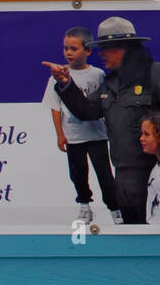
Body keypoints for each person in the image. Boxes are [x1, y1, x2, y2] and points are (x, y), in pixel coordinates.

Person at [42, 16, 160, 225]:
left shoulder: (159, 73)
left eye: (106, 47)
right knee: (132, 236)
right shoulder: (110, 83)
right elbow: (87, 111)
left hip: (157, 172)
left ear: (124, 48)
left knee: (159, 234)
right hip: (123, 174)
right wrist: (66, 83)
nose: (101, 53)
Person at [42, 26, 121, 226]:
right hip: (73, 136)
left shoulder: (98, 74)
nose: (68, 52)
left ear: (87, 51)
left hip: (96, 135)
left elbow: (105, 104)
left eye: (73, 48)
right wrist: (60, 134)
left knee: (104, 174)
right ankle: (84, 206)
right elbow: (55, 108)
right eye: (65, 48)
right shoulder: (57, 75)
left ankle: (115, 209)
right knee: (78, 174)